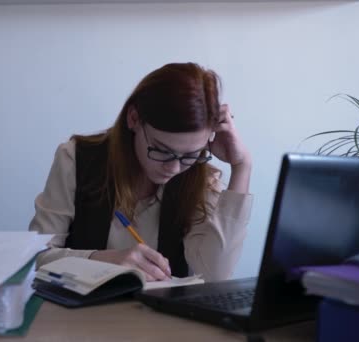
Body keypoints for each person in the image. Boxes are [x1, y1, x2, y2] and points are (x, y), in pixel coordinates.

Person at [29, 62, 252, 282]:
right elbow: (36, 258)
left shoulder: (200, 177)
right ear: (134, 118)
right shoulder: (76, 159)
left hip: (162, 317)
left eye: (190, 155)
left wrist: (241, 167)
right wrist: (102, 260)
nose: (174, 168)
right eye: (162, 150)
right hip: (77, 316)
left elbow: (215, 275)